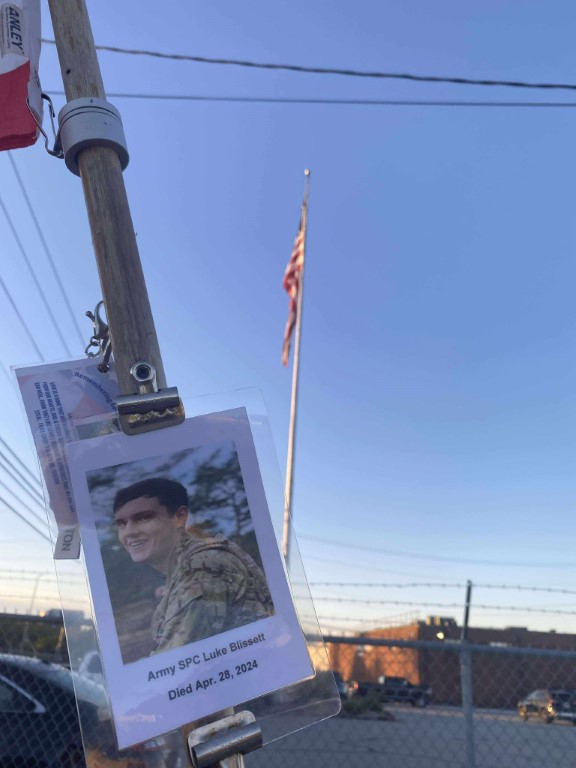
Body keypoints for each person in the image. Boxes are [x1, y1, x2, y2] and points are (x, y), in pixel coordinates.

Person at [113, 477, 274, 653]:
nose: (129, 532)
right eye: (122, 524)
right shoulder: (187, 567)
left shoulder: (202, 568)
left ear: (179, 517)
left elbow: (176, 663)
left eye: (143, 518)